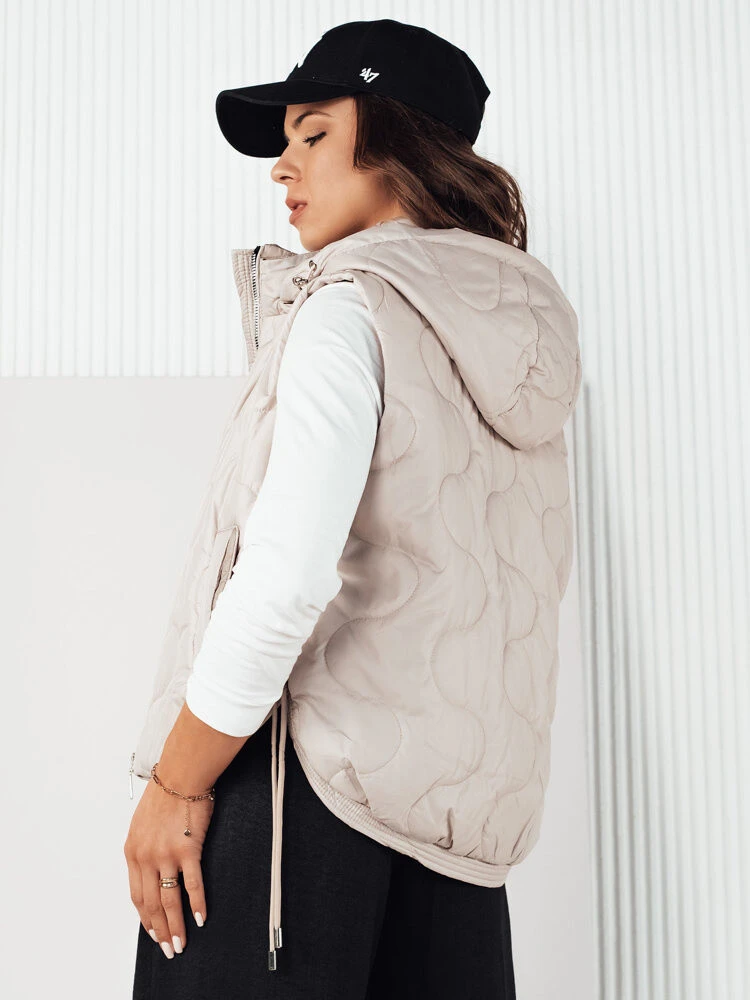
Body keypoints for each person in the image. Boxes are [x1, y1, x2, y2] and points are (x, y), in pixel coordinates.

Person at [125, 17, 581, 1000]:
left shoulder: (348, 306)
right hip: (455, 838)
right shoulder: (515, 340)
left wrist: (175, 782)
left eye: (315, 133)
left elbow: (285, 576)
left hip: (300, 805)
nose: (281, 167)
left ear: (398, 141)